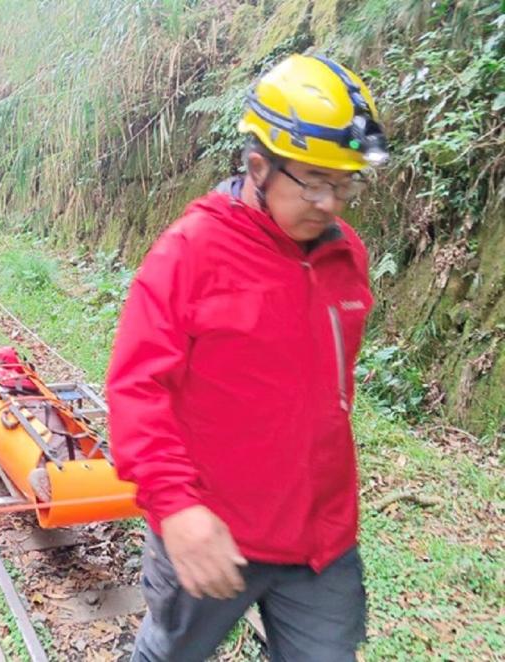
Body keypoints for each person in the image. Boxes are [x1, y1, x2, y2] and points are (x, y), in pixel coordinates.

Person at [106, 54, 389, 661]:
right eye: (314, 181)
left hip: (321, 540)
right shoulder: (191, 253)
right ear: (258, 166)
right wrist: (176, 506)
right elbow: (137, 389)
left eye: (346, 184)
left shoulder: (346, 258)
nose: (332, 203)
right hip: (211, 535)